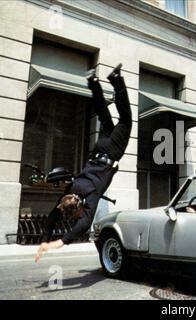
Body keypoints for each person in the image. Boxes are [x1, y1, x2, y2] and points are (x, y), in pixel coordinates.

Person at [35, 63, 132, 262]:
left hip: (111, 152)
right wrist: (44, 241)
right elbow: (53, 216)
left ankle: (116, 79)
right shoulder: (70, 190)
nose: (80, 216)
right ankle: (93, 81)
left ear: (78, 208)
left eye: (77, 215)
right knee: (105, 119)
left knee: (126, 120)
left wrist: (59, 242)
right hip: (98, 149)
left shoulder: (91, 196)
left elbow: (84, 225)